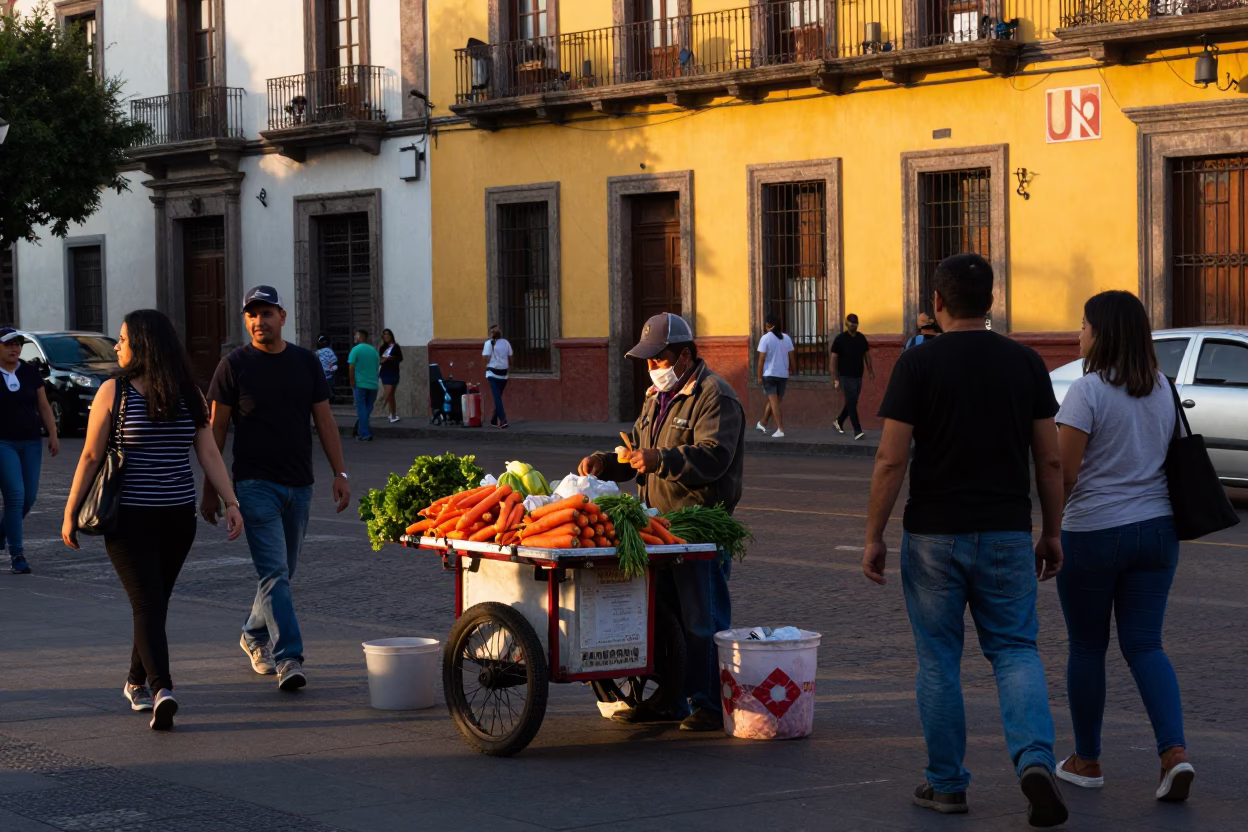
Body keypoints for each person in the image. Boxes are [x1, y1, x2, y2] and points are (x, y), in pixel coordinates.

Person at [861, 253, 1068, 827]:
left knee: (938, 659)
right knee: (1015, 650)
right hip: (1005, 530)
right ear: (992, 302)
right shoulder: (1026, 363)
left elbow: (890, 459)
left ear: (938, 304)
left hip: (933, 535)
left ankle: (947, 784)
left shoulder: (918, 365)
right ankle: (1035, 760)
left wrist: (874, 535)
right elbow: (1049, 459)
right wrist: (1051, 531)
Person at [61, 310, 243, 731]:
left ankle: (134, 681)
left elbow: (209, 453)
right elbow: (90, 456)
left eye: (123, 339)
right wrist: (70, 512)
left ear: (144, 343)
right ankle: (163, 689)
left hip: (178, 519)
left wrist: (231, 502)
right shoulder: (114, 391)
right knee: (146, 602)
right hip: (127, 519)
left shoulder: (189, 394)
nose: (118, 346)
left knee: (155, 603)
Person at [1054, 290, 1194, 802]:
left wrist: (1047, 529)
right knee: (1146, 644)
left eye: (1084, 325)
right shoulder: (1162, 387)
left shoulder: (1086, 392)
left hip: (1094, 532)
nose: (1079, 334)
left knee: (1088, 647)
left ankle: (1086, 759)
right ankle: (1174, 754)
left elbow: (1064, 472)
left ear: (1103, 332)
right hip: (1158, 532)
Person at [577, 312, 744, 732]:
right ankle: (672, 699)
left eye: (660, 360)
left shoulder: (714, 396)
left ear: (684, 356)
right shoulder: (656, 398)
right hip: (659, 529)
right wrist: (604, 462)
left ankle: (710, 703)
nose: (654, 369)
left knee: (701, 619)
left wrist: (661, 459)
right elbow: (634, 453)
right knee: (664, 617)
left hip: (698, 528)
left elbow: (714, 458)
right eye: (649, 363)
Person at [203, 286, 351, 693]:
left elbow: (324, 422)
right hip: (253, 485)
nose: (258, 321)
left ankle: (252, 633)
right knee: (273, 572)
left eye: (266, 313)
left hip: (299, 485)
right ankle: (289, 657)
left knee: (282, 573)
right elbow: (215, 431)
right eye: (252, 314)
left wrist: (341, 473)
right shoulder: (233, 366)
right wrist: (212, 489)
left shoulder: (305, 363)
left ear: (283, 317)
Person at [0, 327, 59, 574]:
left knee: (29, 498)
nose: (15, 348)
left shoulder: (30, 372)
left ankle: (1, 532)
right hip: (3, 443)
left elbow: (44, 406)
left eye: (18, 344)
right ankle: (17, 555)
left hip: (31, 442)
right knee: (14, 496)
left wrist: (53, 434)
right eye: (8, 344)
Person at [830, 313, 874, 440]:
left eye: (855, 323)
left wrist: (870, 371)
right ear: (846, 323)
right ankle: (857, 430)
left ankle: (839, 421)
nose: (853, 325)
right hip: (845, 377)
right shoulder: (840, 339)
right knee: (851, 402)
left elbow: (867, 355)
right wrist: (836, 379)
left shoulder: (861, 338)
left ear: (857, 324)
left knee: (852, 402)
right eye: (850, 323)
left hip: (858, 376)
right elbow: (833, 360)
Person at [755, 313, 795, 439]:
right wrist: (793, 369)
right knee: (775, 402)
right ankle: (763, 422)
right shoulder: (786, 338)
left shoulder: (765, 338)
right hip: (783, 374)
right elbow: (792, 356)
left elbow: (761, 359)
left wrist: (759, 376)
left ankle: (780, 429)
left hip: (769, 374)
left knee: (774, 402)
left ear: (769, 325)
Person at [348, 329, 380, 442]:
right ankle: (362, 431)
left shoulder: (355, 350)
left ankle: (365, 434)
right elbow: (377, 366)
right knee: (367, 409)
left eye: (356, 335)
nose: (355, 337)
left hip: (360, 384)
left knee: (361, 409)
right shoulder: (373, 350)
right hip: (373, 384)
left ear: (361, 337)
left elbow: (351, 366)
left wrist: (352, 381)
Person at [483, 324, 512, 429]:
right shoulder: (506, 343)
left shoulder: (487, 344)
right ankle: (494, 420)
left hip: (492, 374)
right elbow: (511, 358)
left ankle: (503, 420)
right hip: (504, 374)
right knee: (498, 397)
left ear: (491, 334)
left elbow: (485, 360)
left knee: (497, 398)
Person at [379, 328, 403, 423]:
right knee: (388, 393)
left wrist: (389, 357)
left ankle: (393, 413)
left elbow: (400, 358)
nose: (386, 336)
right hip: (385, 372)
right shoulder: (382, 348)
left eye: (388, 334)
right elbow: (381, 359)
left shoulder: (396, 347)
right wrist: (384, 359)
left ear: (391, 335)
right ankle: (391, 413)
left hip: (394, 371)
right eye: (384, 334)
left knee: (392, 394)